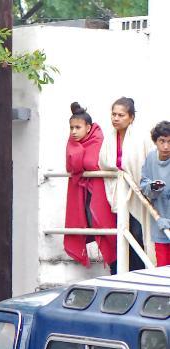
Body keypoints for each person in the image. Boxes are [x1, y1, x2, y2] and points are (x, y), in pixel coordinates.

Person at [98, 97, 152, 271]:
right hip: (115, 193)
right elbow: (103, 162)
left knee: (137, 233)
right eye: (113, 114)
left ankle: (140, 272)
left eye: (121, 115)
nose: (116, 118)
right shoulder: (109, 139)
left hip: (136, 193)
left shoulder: (141, 138)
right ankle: (120, 273)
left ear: (131, 117)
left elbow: (145, 163)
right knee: (118, 235)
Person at [64, 102, 117, 270]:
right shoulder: (73, 143)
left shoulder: (97, 140)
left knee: (105, 228)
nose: (73, 132)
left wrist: (79, 153)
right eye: (71, 128)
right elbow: (72, 166)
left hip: (101, 195)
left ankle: (116, 264)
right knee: (91, 226)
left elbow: (92, 163)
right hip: (83, 194)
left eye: (77, 127)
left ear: (88, 128)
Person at [139, 121, 170, 267]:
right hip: (160, 221)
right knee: (163, 268)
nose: (166, 146)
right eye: (162, 141)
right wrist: (153, 187)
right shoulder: (151, 158)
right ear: (155, 141)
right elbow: (144, 184)